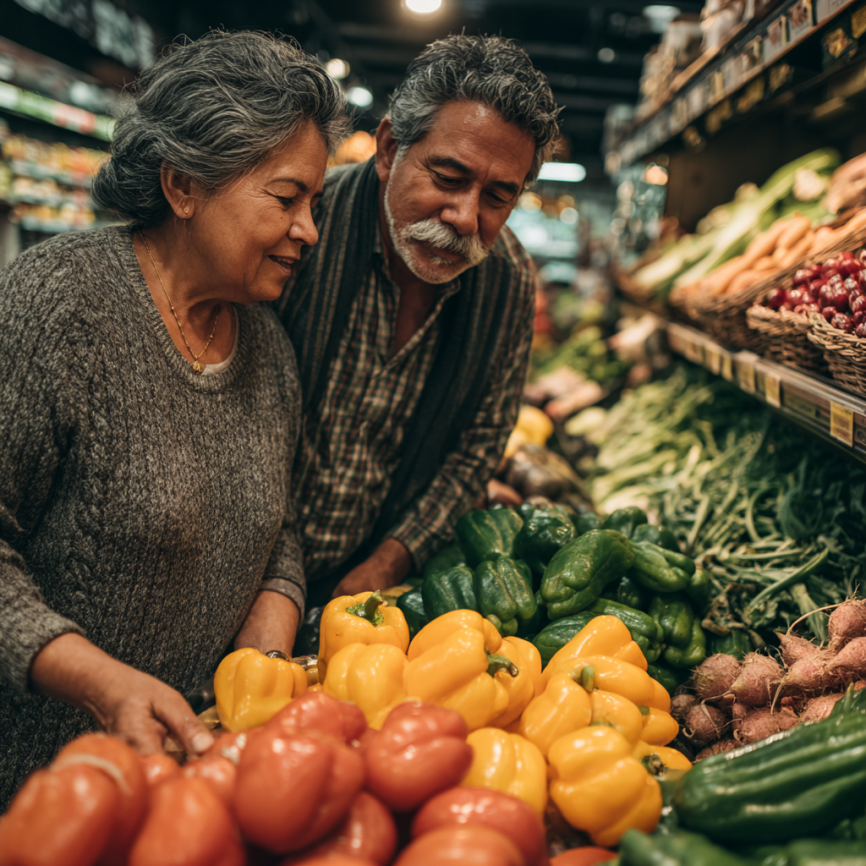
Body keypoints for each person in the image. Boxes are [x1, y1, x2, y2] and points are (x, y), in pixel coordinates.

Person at [0, 31, 347, 807]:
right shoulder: (59, 302)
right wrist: (102, 682)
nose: (309, 230)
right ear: (184, 185)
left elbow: (278, 530)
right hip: (44, 790)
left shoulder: (269, 348)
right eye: (286, 198)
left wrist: (268, 652)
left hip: (191, 789)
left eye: (315, 204)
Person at [277, 34, 560, 635]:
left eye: (498, 197)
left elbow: (478, 446)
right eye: (449, 176)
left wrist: (386, 564)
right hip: (244, 566)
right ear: (389, 149)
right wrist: (276, 579)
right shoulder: (304, 227)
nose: (465, 216)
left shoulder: (507, 281)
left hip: (374, 596)